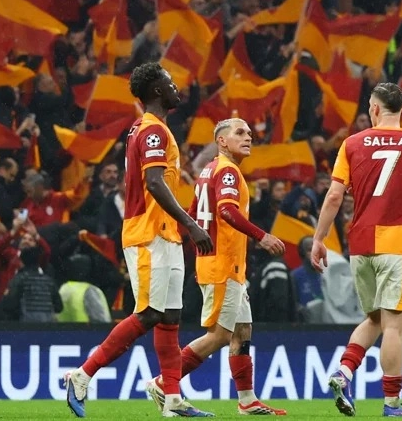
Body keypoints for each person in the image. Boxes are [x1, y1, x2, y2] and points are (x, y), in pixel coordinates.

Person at [64, 62, 214, 418]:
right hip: (148, 234)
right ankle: (82, 375)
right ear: (157, 90)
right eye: (170, 83)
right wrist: (191, 224)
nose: (176, 87)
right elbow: (154, 183)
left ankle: (172, 398)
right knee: (148, 313)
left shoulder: (151, 129)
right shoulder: (152, 131)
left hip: (165, 232)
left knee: (170, 317)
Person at [145, 118, 287, 416]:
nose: (248, 137)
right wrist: (262, 236)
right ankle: (163, 382)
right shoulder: (227, 171)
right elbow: (226, 210)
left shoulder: (209, 170)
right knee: (220, 335)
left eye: (249, 133)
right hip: (223, 265)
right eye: (240, 133)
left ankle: (247, 400)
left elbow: (194, 213)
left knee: (242, 330)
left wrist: (201, 244)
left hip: (223, 263)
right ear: (221, 141)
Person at [310, 83, 402, 418]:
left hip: (360, 244)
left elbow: (335, 196)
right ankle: (392, 403)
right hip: (396, 242)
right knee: (394, 325)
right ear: (400, 108)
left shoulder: (351, 143)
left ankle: (343, 372)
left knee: (375, 318)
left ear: (374, 108)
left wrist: (319, 238)